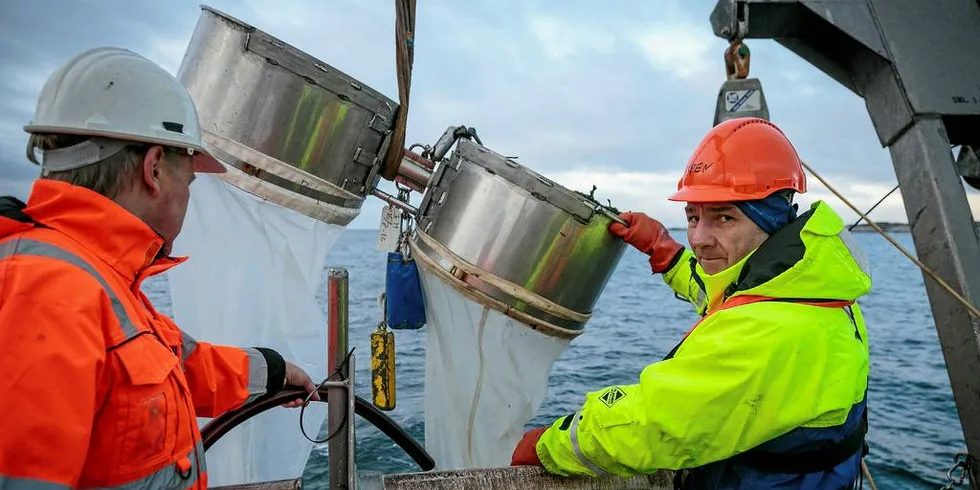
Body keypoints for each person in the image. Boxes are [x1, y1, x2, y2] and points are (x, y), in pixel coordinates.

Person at [0, 47, 321, 490]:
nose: (189, 198)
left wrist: (273, 370)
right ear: (154, 170)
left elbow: (178, 365)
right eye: (189, 180)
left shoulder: (99, 279)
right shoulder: (47, 293)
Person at [511, 117, 872, 489]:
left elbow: (652, 425)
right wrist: (663, 250)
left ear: (774, 220)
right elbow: (724, 293)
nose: (699, 238)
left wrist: (547, 445)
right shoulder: (810, 287)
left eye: (724, 218)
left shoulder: (769, 330)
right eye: (693, 217)